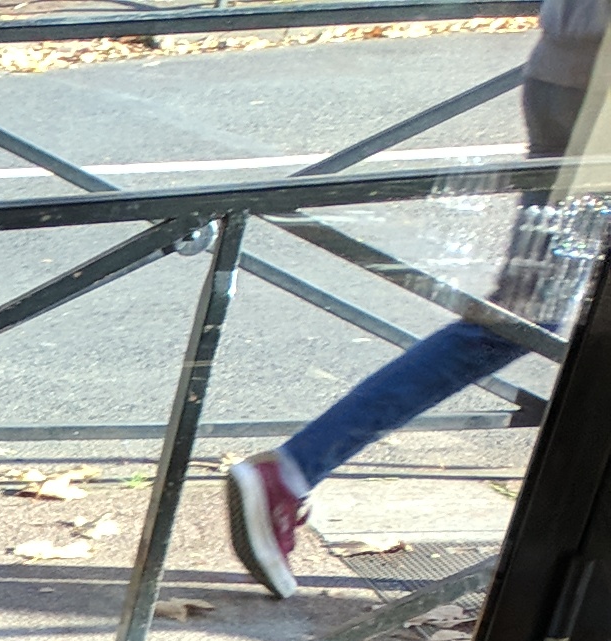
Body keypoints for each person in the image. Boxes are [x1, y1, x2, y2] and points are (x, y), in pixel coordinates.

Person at [226, 0, 605, 594]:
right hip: (598, 96)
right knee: (520, 319)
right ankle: (294, 469)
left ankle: (295, 468)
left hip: (561, 76)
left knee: (521, 317)